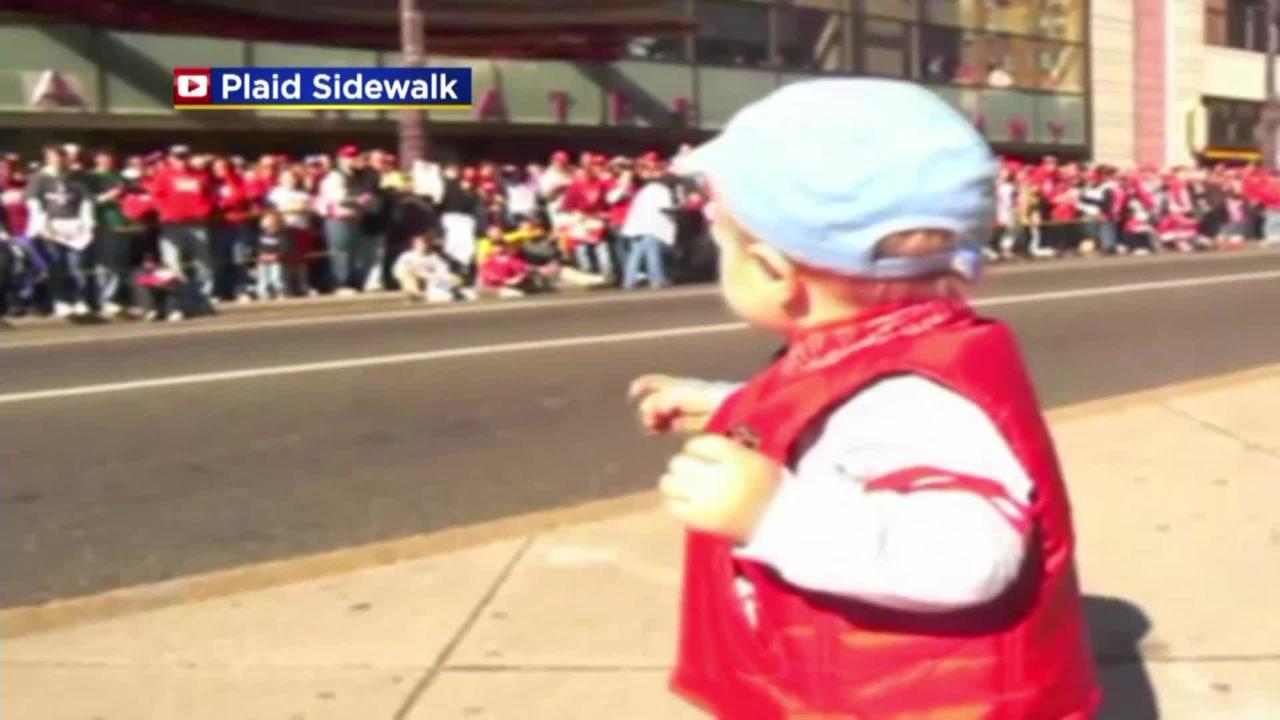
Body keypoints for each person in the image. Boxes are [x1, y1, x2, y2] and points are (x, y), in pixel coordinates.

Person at [630, 79, 1099, 718]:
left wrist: (773, 512)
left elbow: (969, 557)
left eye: (723, 245)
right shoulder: (892, 352)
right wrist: (729, 406)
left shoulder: (912, 399)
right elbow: (829, 407)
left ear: (773, 273)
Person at [25, 144, 95, 317]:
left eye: (59, 156)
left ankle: (79, 300)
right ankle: (60, 301)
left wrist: (89, 225)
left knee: (77, 266)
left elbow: (86, 202)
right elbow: (34, 204)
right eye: (52, 157)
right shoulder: (39, 178)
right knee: (56, 266)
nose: (56, 160)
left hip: (74, 227)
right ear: (47, 158)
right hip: (52, 227)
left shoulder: (76, 178)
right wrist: (41, 227)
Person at [151, 144, 216, 308]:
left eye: (184, 156)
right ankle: (179, 295)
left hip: (196, 223)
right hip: (172, 223)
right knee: (172, 260)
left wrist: (204, 211)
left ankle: (204, 294)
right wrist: (167, 213)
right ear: (170, 158)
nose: (181, 160)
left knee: (203, 260)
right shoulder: (163, 175)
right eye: (178, 157)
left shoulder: (200, 175)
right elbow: (156, 196)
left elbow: (209, 195)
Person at [317, 145, 365, 294]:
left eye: (354, 156)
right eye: (348, 157)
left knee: (352, 252)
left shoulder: (356, 176)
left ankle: (351, 282)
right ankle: (340, 283)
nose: (351, 160)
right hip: (338, 219)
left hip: (353, 218)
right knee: (341, 251)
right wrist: (358, 200)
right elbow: (337, 198)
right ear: (340, 160)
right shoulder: (334, 176)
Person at [620, 165, 675, 289]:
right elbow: (666, 207)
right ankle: (657, 279)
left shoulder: (643, 190)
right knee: (653, 252)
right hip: (652, 225)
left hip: (637, 225)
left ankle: (629, 280)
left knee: (636, 253)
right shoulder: (663, 190)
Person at [393, 232, 474, 303]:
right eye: (420, 242)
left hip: (432, 282)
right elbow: (399, 272)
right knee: (408, 272)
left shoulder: (434, 257)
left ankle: (454, 292)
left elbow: (442, 272)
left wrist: (432, 276)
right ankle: (415, 294)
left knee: (455, 279)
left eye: (425, 242)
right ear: (414, 243)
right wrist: (421, 274)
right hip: (414, 282)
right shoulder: (407, 256)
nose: (423, 244)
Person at [256, 210, 290, 300]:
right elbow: (259, 246)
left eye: (270, 223)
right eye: (266, 222)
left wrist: (277, 255)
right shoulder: (262, 234)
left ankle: (280, 291)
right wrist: (260, 254)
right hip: (263, 261)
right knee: (263, 277)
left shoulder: (281, 235)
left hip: (276, 260)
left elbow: (285, 247)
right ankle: (263, 292)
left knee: (276, 277)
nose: (268, 226)